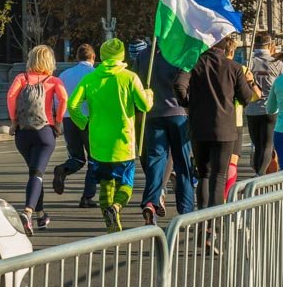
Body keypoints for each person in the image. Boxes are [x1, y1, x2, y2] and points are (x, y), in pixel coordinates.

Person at [69, 38, 154, 232]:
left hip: (99, 141)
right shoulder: (130, 77)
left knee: (105, 182)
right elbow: (144, 106)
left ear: (102, 55)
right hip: (123, 141)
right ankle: (116, 207)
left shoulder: (90, 78)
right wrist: (149, 94)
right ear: (122, 55)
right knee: (126, 182)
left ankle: (111, 226)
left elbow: (72, 104)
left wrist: (84, 122)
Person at [187, 34, 254, 212]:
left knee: (203, 175)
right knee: (219, 175)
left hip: (199, 126)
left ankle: (201, 215)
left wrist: (189, 104)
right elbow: (246, 98)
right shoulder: (234, 67)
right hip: (225, 128)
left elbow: (179, 86)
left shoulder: (194, 64)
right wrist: (249, 81)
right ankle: (213, 221)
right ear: (224, 48)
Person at [6, 45, 68, 235]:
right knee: (37, 174)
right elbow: (64, 98)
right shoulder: (53, 80)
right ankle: (28, 212)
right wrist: (57, 122)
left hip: (23, 134)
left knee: (34, 172)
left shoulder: (21, 78)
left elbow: (10, 96)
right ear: (50, 62)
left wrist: (14, 121)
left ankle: (41, 214)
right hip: (44, 133)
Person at [137, 43, 192, 225]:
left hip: (153, 113)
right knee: (183, 164)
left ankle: (151, 201)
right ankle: (185, 209)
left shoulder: (144, 56)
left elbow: (138, 83)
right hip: (179, 114)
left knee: (155, 163)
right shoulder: (180, 53)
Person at [52, 44, 98, 207]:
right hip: (89, 120)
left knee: (77, 157)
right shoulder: (95, 74)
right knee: (94, 159)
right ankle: (87, 196)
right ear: (93, 57)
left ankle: (64, 169)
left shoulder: (65, 75)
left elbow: (58, 99)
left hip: (68, 118)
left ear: (77, 58)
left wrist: (60, 118)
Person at [244, 32, 283, 176]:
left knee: (258, 146)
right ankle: (259, 175)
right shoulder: (277, 63)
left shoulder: (248, 62)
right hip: (271, 109)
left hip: (252, 109)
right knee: (267, 145)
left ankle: (258, 173)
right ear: (269, 45)